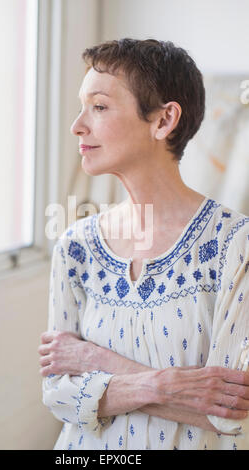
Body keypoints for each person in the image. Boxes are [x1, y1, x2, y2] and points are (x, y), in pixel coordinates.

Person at [38, 38, 249, 450]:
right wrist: (167, 385)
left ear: (163, 120)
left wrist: (92, 361)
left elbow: (228, 414)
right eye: (83, 106)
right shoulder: (74, 246)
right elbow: (58, 395)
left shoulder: (233, 242)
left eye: (99, 106)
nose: (77, 125)